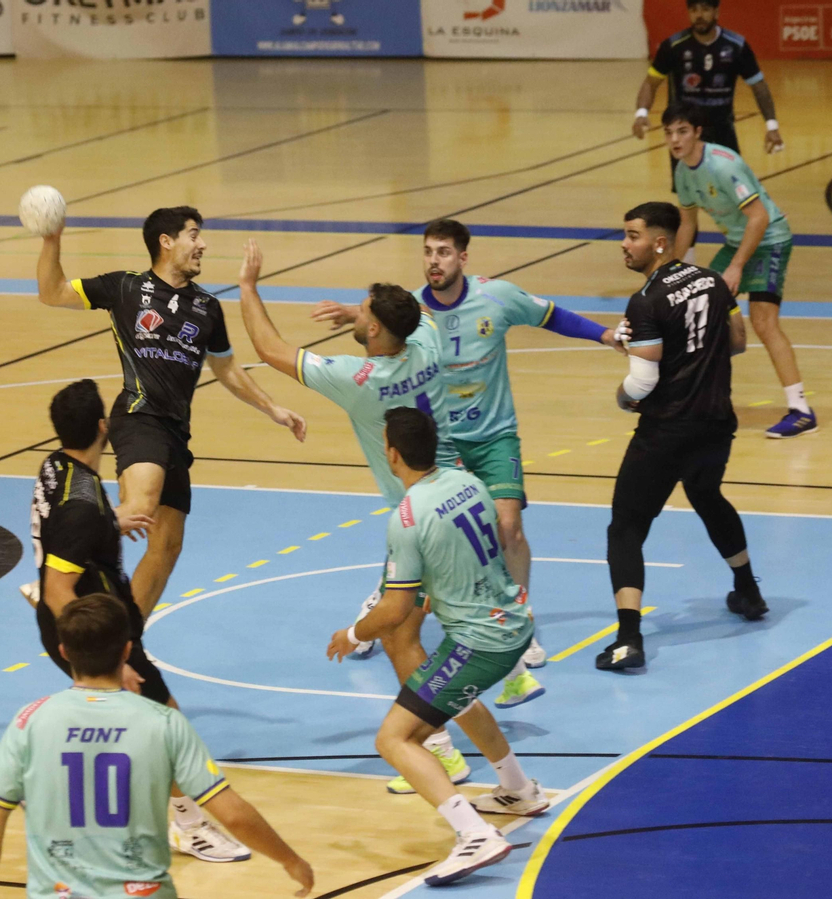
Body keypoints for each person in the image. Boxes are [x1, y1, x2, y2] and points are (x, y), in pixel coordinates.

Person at [232, 239, 531, 794]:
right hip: (460, 490)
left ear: (373, 330)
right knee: (425, 630)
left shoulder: (358, 380)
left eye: (363, 311)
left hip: (423, 514)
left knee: (399, 631)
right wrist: (364, 315)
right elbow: (414, 319)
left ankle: (439, 747)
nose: (357, 313)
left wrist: (247, 286)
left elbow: (269, 348)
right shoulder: (428, 343)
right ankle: (503, 742)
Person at [311, 220, 622, 674]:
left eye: (443, 252)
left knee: (508, 527)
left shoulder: (498, 297)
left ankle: (519, 620)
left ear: (463, 257)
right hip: (440, 441)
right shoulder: (411, 310)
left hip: (494, 435)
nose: (434, 261)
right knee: (423, 530)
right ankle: (382, 599)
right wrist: (356, 316)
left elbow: (552, 316)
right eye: (428, 252)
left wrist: (605, 335)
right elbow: (378, 334)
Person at [35, 206, 306, 619]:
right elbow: (51, 291)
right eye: (193, 235)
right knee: (140, 507)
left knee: (166, 546)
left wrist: (272, 408)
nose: (202, 244)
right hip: (139, 416)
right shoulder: (125, 287)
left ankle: (126, 636)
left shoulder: (207, 307)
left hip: (176, 431)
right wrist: (51, 239)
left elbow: (226, 368)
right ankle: (57, 573)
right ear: (166, 242)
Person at [29, 379, 252, 863]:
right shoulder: (82, 506)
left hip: (85, 626)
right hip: (95, 636)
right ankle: (189, 825)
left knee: (111, 722)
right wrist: (115, 661)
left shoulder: (55, 468)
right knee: (167, 724)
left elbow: (65, 537)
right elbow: (58, 589)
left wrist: (111, 523)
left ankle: (46, 790)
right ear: (104, 428)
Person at [326, 408, 549, 888]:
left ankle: (474, 835)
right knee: (455, 698)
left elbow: (394, 609)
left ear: (391, 454)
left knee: (393, 739)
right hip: (514, 624)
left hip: (479, 643)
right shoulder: (468, 482)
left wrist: (353, 635)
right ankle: (518, 789)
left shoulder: (408, 518)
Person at [0, 594, 314, 899]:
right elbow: (234, 815)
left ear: (63, 652)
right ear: (126, 651)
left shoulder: (29, 720)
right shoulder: (164, 722)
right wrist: (290, 860)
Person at [599, 202, 767, 672]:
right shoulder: (713, 281)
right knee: (706, 494)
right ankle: (748, 591)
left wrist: (622, 397)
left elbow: (642, 382)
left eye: (632, 235)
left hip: (667, 431)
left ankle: (628, 640)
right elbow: (737, 341)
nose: (624, 244)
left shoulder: (646, 300)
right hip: (716, 424)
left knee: (626, 527)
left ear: (659, 243)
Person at [664, 103, 816, 438]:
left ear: (697, 132)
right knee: (699, 313)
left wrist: (736, 267)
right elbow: (687, 224)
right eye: (669, 133)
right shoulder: (682, 171)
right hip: (738, 242)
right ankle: (699, 400)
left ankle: (802, 411)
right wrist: (670, 271)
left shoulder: (723, 165)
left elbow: (759, 217)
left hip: (770, 239)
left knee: (763, 322)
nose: (675, 140)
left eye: (682, 131)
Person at [633, 0, 785, 190]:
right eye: (694, 10)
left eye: (705, 9)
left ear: (716, 12)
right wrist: (641, 113)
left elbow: (758, 86)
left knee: (734, 189)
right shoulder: (674, 46)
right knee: (689, 196)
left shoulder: (736, 45)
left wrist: (772, 126)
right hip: (685, 133)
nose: (699, 15)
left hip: (722, 129)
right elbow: (651, 82)